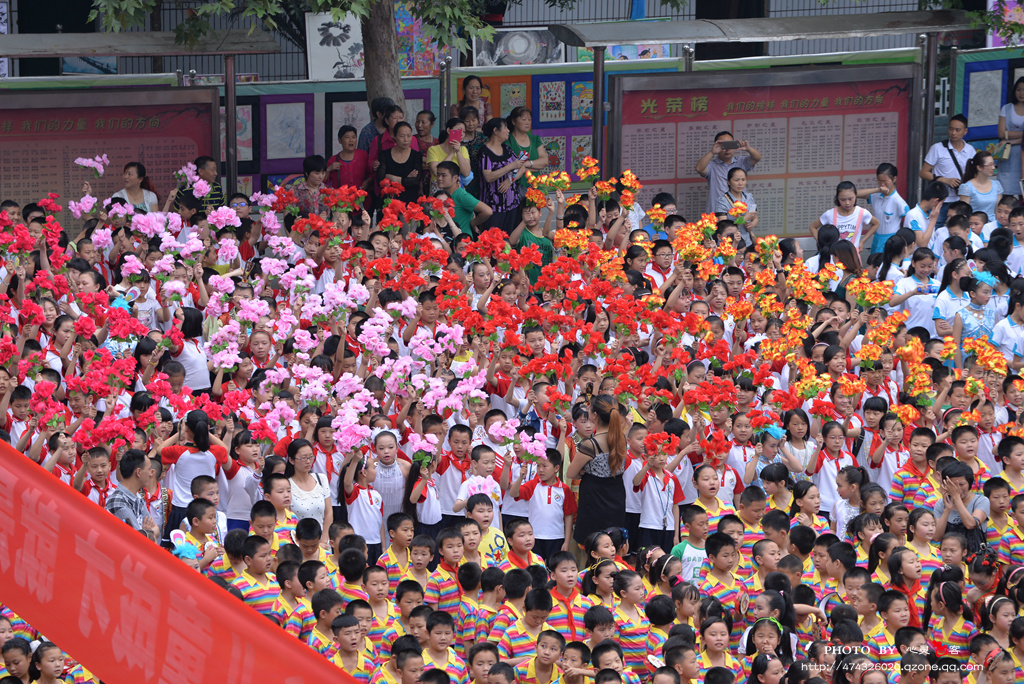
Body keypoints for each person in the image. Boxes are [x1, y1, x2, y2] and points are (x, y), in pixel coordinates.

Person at [921, 114, 976, 227]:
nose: (953, 133)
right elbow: (923, 173)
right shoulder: (937, 148)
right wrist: (944, 180)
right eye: (951, 129)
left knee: (959, 227)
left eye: (957, 130)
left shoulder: (970, 150)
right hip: (940, 199)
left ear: (965, 131)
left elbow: (974, 174)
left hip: (961, 199)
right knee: (935, 226)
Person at [695, 131, 762, 213]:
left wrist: (748, 149)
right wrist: (712, 152)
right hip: (717, 214)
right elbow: (699, 169)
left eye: (730, 144)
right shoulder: (712, 165)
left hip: (739, 214)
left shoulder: (740, 162)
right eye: (723, 145)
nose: (727, 149)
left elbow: (757, 158)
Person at [478, 117, 524, 234]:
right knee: (493, 239)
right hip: (493, 206)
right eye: (505, 128)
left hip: (512, 204)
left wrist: (510, 180)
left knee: (509, 239)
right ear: (495, 131)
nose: (508, 131)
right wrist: (510, 166)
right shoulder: (485, 153)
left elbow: (522, 167)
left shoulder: (506, 148)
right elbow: (488, 177)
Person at [436, 161, 491, 237]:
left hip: (463, 241)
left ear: (455, 178)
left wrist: (472, 223)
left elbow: (487, 211)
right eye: (438, 175)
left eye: (443, 175)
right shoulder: (442, 195)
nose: (439, 178)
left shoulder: (461, 195)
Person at [376, 121, 424, 204]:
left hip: (410, 201)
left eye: (409, 136)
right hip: (389, 201)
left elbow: (415, 181)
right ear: (394, 136)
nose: (406, 140)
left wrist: (393, 178)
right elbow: (380, 180)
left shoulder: (416, 156)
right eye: (402, 136)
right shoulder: (385, 155)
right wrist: (406, 179)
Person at [505, 107, 549, 188]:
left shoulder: (535, 139)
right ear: (513, 121)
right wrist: (535, 166)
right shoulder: (507, 141)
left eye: (529, 120)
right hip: (515, 187)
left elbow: (545, 161)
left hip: (535, 187)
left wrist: (526, 164)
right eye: (524, 119)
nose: (527, 123)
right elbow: (509, 166)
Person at [426, 118, 472, 195]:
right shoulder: (433, 150)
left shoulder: (463, 150)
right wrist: (452, 152)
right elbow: (436, 172)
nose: (462, 134)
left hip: (456, 190)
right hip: (439, 191)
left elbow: (466, 172)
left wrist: (458, 152)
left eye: (464, 132)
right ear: (448, 130)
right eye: (459, 130)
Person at [713, 168, 758, 245]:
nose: (740, 183)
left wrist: (752, 224)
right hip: (730, 242)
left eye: (743, 180)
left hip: (747, 242)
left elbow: (755, 217)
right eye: (736, 180)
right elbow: (723, 225)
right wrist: (744, 219)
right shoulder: (722, 201)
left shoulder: (748, 197)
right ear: (728, 182)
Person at [959, 151, 1004, 223]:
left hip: (993, 224)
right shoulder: (967, 187)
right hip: (975, 224)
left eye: (993, 164)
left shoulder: (996, 184)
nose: (993, 168)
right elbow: (964, 213)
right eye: (990, 165)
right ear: (979, 167)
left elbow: (998, 209)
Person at [999, 77, 1024, 194]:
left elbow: (1005, 134)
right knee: (1005, 191)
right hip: (1008, 154)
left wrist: (1010, 138)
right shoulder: (1006, 108)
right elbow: (1001, 133)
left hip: (1020, 151)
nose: (1021, 93)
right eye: (1018, 89)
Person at [327, 125, 371, 191]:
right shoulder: (333, 160)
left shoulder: (364, 155)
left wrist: (368, 181)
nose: (351, 140)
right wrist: (328, 170)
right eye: (347, 137)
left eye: (353, 137)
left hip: (362, 196)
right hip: (340, 197)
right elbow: (321, 182)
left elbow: (372, 174)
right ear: (340, 140)